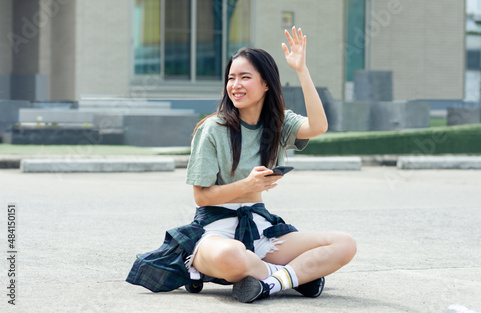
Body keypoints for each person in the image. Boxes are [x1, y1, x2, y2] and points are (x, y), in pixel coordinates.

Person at [126, 27, 356, 303]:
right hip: (215, 229)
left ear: (266, 84)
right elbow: (201, 196)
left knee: (344, 244)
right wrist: (247, 185)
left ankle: (270, 283)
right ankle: (292, 276)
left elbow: (319, 126)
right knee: (231, 255)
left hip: (261, 231)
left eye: (245, 77)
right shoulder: (213, 128)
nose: (235, 84)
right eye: (231, 78)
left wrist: (301, 70)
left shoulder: (278, 123)